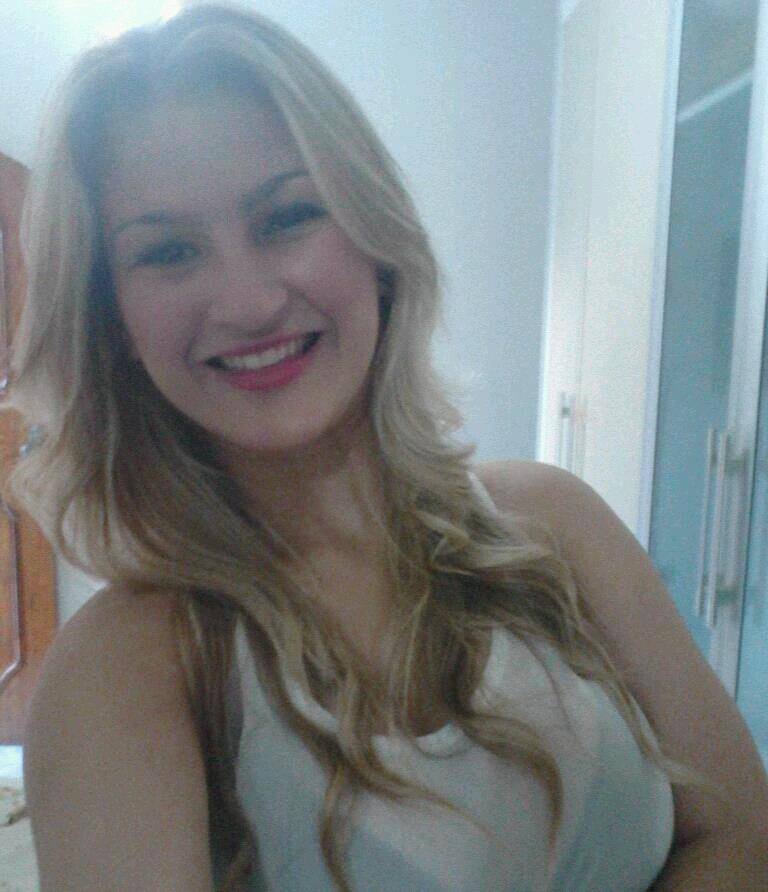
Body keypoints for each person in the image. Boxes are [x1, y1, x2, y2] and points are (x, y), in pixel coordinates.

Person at [7, 4, 767, 890]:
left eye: (288, 216)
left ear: (375, 239)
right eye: (170, 251)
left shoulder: (551, 521)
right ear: (113, 322)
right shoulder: (125, 669)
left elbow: (743, 828)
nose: (249, 303)